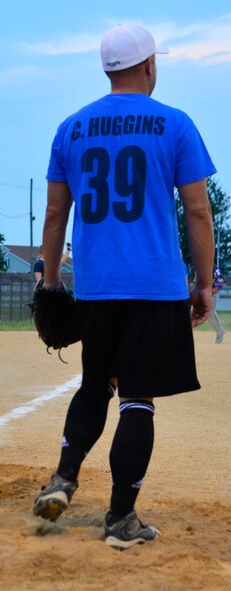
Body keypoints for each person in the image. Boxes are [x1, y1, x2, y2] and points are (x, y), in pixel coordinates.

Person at [33, 24, 215, 550]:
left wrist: (48, 281)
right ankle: (119, 518)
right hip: (155, 286)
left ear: (107, 68)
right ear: (150, 66)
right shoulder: (175, 124)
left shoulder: (71, 127)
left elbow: (54, 213)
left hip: (96, 284)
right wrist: (204, 285)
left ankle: (64, 479)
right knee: (137, 398)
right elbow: (198, 212)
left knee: (96, 385)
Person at [208, 267, 226, 343]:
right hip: (202, 294)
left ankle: (220, 332)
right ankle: (220, 330)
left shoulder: (215, 269)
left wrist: (215, 289)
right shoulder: (199, 267)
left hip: (211, 295)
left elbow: (222, 282)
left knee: (211, 313)